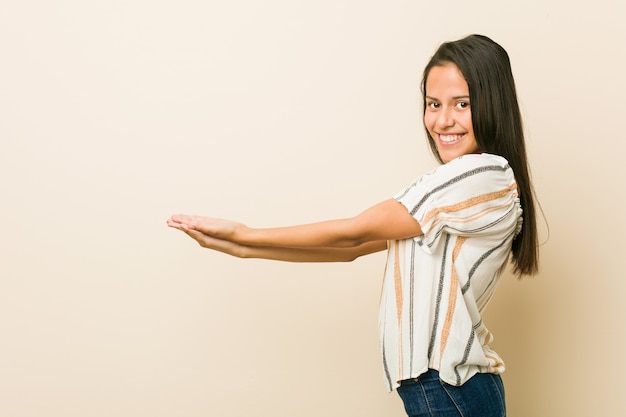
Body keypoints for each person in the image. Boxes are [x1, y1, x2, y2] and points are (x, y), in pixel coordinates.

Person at [167, 34, 538, 417]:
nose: (443, 120)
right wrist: (242, 248)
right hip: (443, 390)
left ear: (493, 104)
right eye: (433, 104)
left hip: (450, 390)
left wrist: (246, 234)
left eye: (463, 104)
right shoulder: (462, 189)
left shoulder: (482, 173)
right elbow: (352, 249)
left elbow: (356, 231)